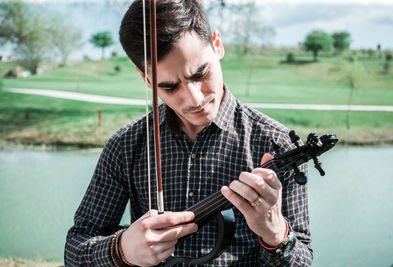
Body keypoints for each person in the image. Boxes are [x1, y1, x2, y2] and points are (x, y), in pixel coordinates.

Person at [64, 0, 312, 266]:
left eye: (200, 74)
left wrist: (275, 235)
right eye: (170, 87)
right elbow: (75, 250)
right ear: (146, 79)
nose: (193, 99)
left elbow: (303, 261)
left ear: (217, 44)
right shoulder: (125, 145)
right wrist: (121, 249)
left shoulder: (276, 142)